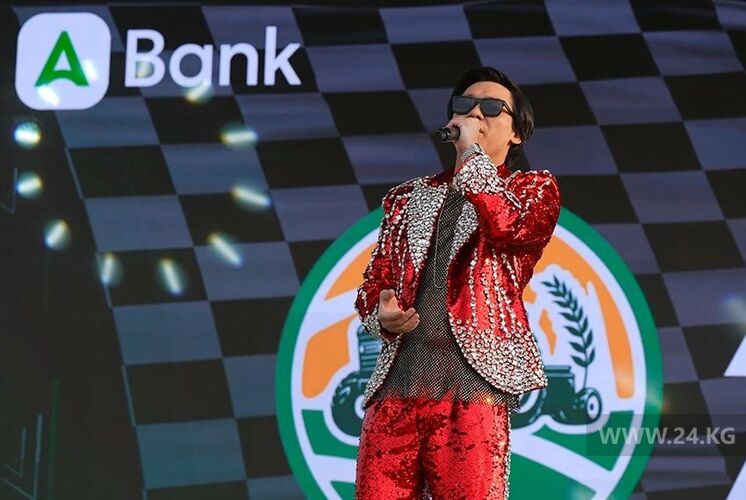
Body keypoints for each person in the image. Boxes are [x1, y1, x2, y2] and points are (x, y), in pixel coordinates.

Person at [353, 66, 562, 499]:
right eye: (465, 105)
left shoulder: (533, 189)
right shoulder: (407, 197)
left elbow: (510, 228)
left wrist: (472, 157)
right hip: (396, 389)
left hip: (472, 392)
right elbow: (376, 280)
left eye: (492, 107)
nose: (476, 114)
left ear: (516, 133)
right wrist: (381, 315)